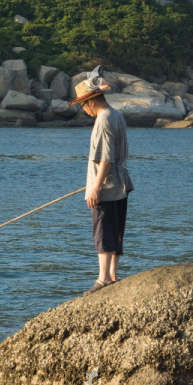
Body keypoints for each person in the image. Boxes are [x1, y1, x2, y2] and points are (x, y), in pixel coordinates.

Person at [68, 69, 134, 295]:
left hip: (106, 186)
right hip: (120, 184)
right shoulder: (116, 115)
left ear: (91, 101)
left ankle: (103, 278)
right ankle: (113, 276)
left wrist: (95, 186)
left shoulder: (103, 121)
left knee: (102, 230)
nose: (83, 110)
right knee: (116, 230)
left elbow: (105, 158)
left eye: (82, 105)